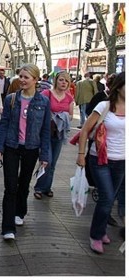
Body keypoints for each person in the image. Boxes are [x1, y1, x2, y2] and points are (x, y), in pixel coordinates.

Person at [0, 63, 51, 240]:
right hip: (11, 146)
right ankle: (8, 227)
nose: (22, 80)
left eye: (26, 77)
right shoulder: (12, 99)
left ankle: (20, 212)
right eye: (21, 76)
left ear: (35, 79)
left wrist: (44, 155)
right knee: (10, 187)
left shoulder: (43, 101)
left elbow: (45, 130)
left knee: (24, 184)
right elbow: (2, 125)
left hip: (31, 148)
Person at [76, 72, 125, 254]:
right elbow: (85, 130)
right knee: (106, 197)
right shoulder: (104, 106)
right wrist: (81, 154)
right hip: (100, 159)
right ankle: (95, 235)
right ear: (119, 87)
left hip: (122, 161)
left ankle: (102, 230)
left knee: (110, 198)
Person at [33, 71, 74, 199]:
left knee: (53, 163)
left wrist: (62, 116)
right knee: (47, 161)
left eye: (66, 81)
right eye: (61, 80)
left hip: (59, 134)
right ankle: (38, 187)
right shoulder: (47, 94)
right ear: (56, 81)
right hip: (45, 133)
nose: (64, 83)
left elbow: (71, 116)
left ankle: (47, 187)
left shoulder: (69, 98)